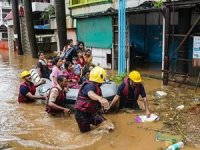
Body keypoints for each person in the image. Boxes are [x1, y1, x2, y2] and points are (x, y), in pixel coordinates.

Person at [75, 66, 110, 133]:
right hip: (82, 115)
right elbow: (90, 94)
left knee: (107, 125)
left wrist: (102, 107)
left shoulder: (97, 87)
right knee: (86, 134)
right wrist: (100, 98)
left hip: (92, 113)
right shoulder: (89, 86)